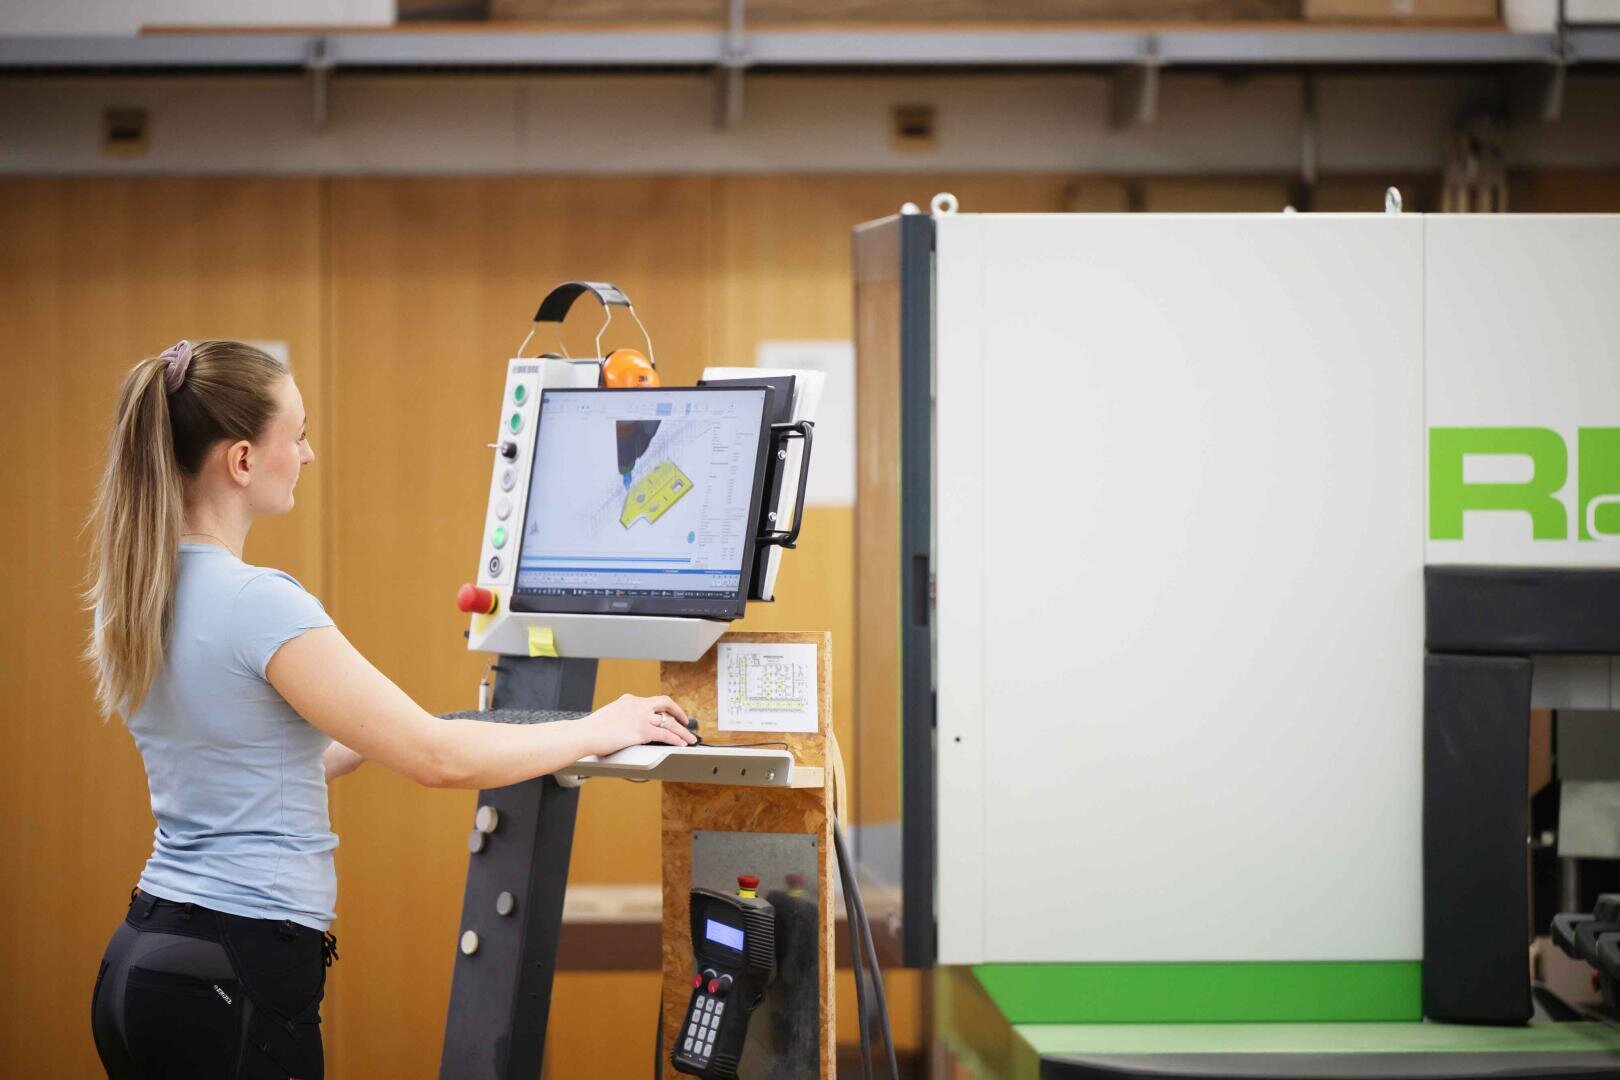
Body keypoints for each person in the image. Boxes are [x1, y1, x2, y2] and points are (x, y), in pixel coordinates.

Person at [85, 340, 696, 1078]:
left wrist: (404, 731)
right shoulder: (258, 601)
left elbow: (265, 760)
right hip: (232, 972)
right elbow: (436, 764)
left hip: (148, 961)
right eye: (299, 434)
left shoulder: (146, 591)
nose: (308, 455)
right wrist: (604, 726)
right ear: (242, 461)